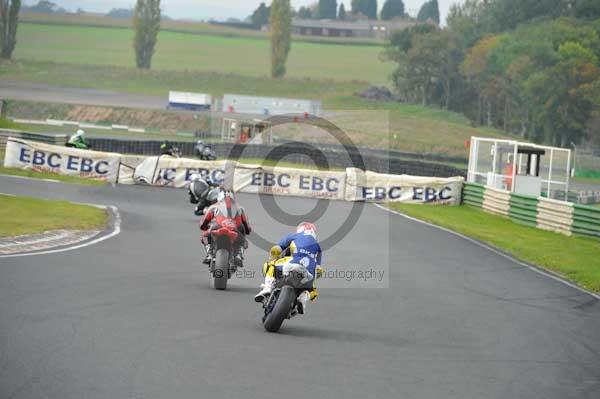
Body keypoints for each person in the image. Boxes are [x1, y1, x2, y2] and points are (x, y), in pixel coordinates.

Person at [254, 222, 323, 315]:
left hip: (292, 263)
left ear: (300, 229)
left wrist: (272, 258)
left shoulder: (294, 236)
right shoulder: (318, 246)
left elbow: (276, 249)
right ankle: (304, 297)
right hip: (308, 272)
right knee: (313, 291)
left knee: (270, 265)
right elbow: (319, 269)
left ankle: (268, 287)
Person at [199, 190, 251, 266]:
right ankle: (238, 255)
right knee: (243, 239)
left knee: (204, 236)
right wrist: (246, 231)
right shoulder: (240, 207)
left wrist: (205, 227)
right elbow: (247, 225)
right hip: (235, 229)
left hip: (217, 226)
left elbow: (203, 222)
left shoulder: (214, 206)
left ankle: (209, 255)